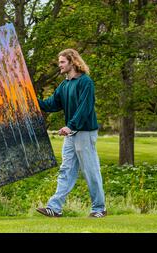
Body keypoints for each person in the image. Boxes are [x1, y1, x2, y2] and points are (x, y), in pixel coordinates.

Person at [36, 49, 106, 218]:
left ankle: (99, 209)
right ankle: (55, 208)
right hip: (72, 133)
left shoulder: (85, 82)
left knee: (90, 170)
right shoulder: (64, 85)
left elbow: (85, 108)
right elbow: (50, 105)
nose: (59, 65)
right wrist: (30, 99)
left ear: (72, 62)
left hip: (85, 132)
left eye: (62, 62)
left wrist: (70, 126)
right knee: (66, 170)